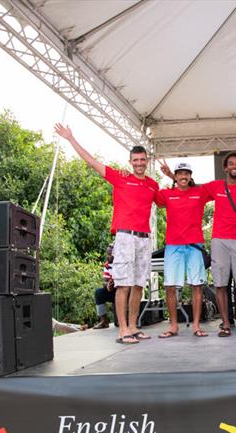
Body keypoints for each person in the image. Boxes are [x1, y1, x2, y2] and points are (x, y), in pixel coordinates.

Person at [54, 123, 158, 344]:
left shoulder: (152, 185)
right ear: (130, 162)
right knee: (123, 284)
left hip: (144, 238)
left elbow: (169, 202)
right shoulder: (120, 178)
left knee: (139, 284)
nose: (139, 163)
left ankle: (133, 326)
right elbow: (91, 161)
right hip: (125, 237)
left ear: (147, 161)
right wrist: (71, 138)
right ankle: (122, 331)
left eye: (143, 160)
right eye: (135, 160)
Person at [201, 152, 236, 337]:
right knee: (220, 283)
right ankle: (225, 324)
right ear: (225, 168)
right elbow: (192, 189)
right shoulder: (216, 186)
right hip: (219, 240)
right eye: (231, 163)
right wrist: (171, 177)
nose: (234, 166)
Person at [155, 161, 210, 338]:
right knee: (170, 286)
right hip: (173, 246)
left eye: (186, 173)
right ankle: (173, 326)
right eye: (180, 174)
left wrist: (172, 176)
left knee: (197, 286)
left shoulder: (199, 192)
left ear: (190, 176)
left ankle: (195, 325)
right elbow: (149, 195)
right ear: (176, 176)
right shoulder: (167, 194)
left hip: (195, 246)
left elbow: (210, 191)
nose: (183, 176)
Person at [93, 244, 115, 329]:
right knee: (99, 292)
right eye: (107, 254)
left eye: (110, 255)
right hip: (112, 290)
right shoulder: (107, 265)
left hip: (122, 291)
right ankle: (104, 321)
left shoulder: (121, 265)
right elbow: (105, 281)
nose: (107, 256)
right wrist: (108, 285)